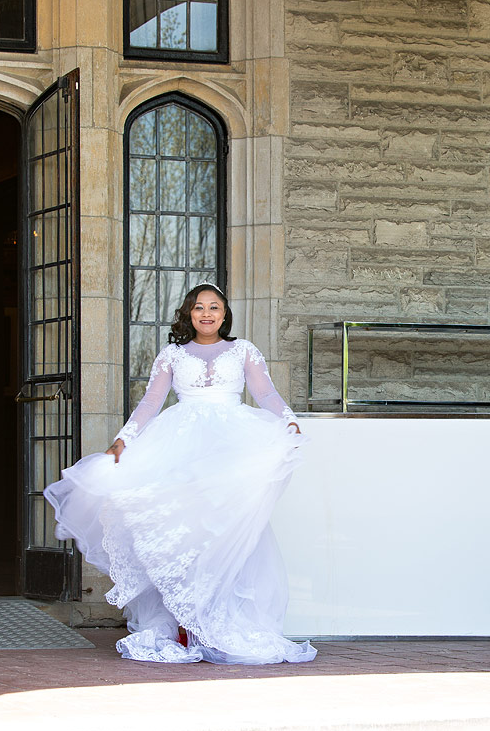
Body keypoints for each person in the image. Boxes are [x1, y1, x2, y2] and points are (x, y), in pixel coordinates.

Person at [43, 283, 316, 664]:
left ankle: (217, 619)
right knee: (183, 530)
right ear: (189, 314)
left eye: (215, 307)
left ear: (225, 314)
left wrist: (287, 420)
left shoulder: (243, 351)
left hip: (230, 444)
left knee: (221, 530)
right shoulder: (173, 354)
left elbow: (265, 393)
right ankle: (183, 621)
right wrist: (124, 438)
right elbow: (152, 401)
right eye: (200, 307)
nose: (207, 314)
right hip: (180, 442)